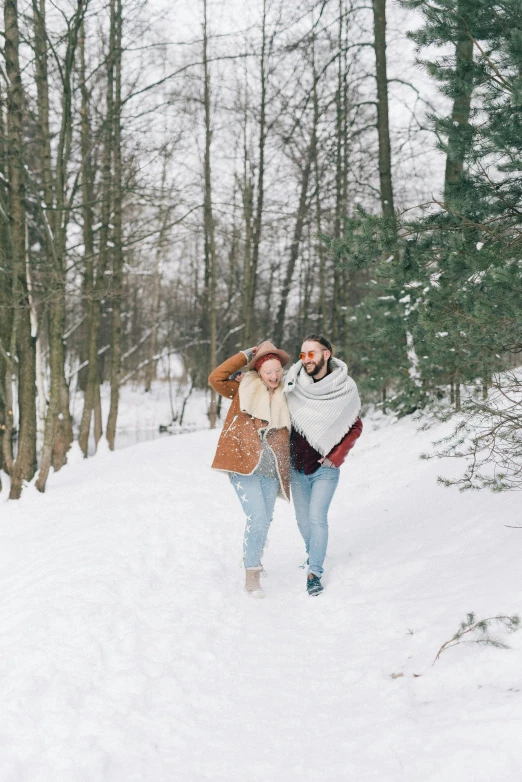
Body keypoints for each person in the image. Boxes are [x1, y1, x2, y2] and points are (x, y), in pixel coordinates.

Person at [209, 341, 291, 598]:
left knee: (265, 519)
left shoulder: (287, 394)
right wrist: (244, 355)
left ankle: (253, 554)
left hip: (270, 469)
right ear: (258, 371)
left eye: (277, 371)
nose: (274, 376)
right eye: (269, 371)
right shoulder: (242, 390)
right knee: (257, 517)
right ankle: (251, 574)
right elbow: (215, 378)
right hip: (243, 466)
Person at [284, 334, 362, 596]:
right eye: (302, 354)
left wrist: (336, 457)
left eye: (311, 354)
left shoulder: (345, 387)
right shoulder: (292, 384)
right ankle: (312, 554)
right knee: (303, 521)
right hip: (296, 467)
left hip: (325, 469)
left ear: (326, 354)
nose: (305, 360)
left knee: (317, 519)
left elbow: (355, 425)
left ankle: (314, 572)